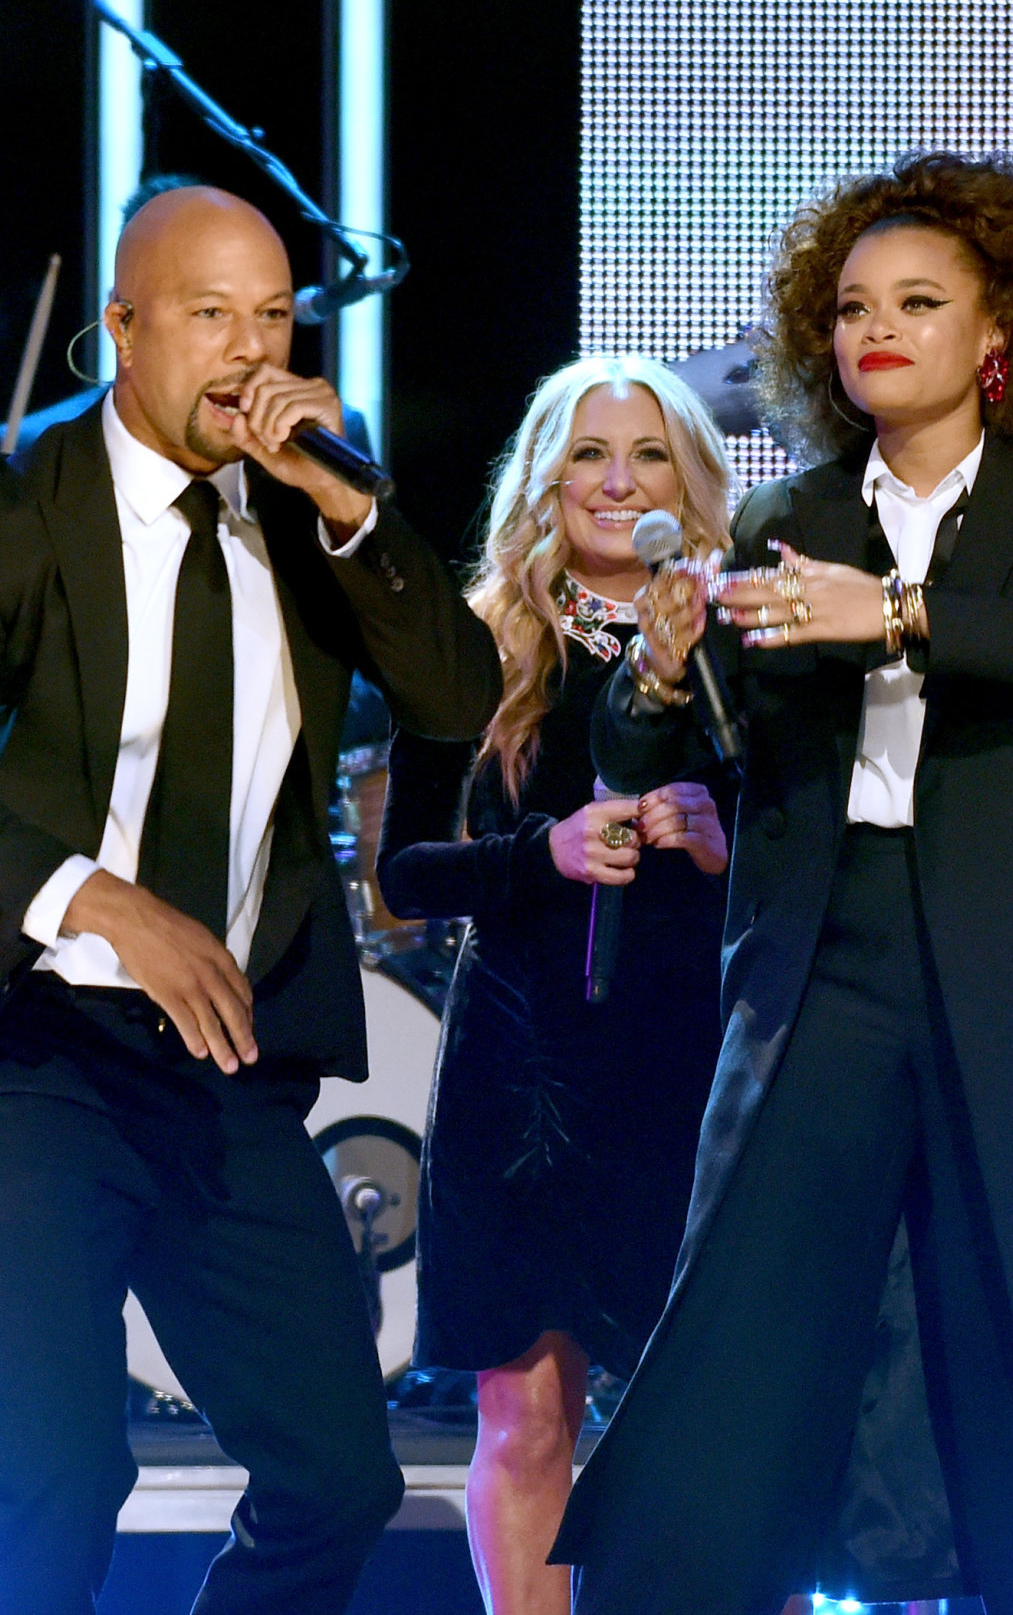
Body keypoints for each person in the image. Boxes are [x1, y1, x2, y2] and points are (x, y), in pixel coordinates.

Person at [554, 150, 1013, 1615]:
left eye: (917, 301)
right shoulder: (793, 511)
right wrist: (653, 669)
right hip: (831, 948)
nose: (875, 329)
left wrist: (895, 615)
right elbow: (662, 730)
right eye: (850, 307)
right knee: (762, 1303)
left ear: (997, 330)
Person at [0, 185, 502, 1615]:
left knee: (343, 1481)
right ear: (124, 332)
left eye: (274, 319)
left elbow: (458, 690)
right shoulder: (14, 496)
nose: (248, 357)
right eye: (211, 318)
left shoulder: (322, 495)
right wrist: (99, 902)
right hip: (33, 1046)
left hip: (224, 1058)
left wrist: (349, 511)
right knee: (71, 1474)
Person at [375, 356, 737, 1615]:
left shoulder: (741, 644)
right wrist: (545, 852)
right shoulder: (476, 645)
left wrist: (721, 835)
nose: (616, 480)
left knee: (720, 1423)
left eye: (646, 456)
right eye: (589, 453)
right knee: (525, 1422)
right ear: (546, 476)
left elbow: (826, 845)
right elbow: (404, 875)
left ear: (686, 486)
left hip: (689, 1066)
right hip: (519, 1074)